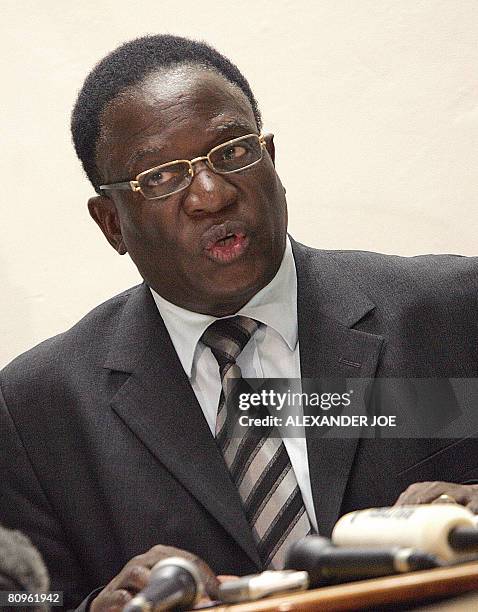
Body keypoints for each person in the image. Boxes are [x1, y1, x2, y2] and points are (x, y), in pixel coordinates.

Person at [1, 34, 478, 611]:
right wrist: (97, 607)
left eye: (231, 152)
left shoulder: (451, 313)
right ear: (112, 225)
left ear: (271, 161)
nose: (210, 195)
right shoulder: (37, 408)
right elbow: (26, 602)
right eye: (160, 178)